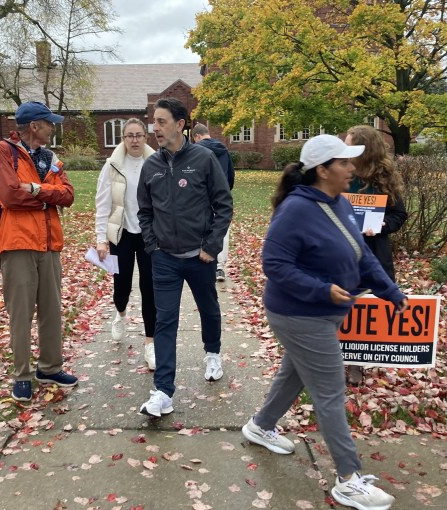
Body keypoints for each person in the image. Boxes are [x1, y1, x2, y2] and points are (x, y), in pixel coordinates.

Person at [241, 134, 407, 510]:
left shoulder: (339, 202)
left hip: (323, 312)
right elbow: (274, 265)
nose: (352, 168)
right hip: (299, 314)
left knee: (294, 374)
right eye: (345, 163)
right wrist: (321, 290)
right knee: (330, 394)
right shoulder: (296, 210)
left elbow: (362, 255)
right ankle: (348, 479)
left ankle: (260, 425)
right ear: (323, 169)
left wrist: (391, 292)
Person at [137, 98, 233, 417]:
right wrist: (152, 245)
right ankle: (163, 391)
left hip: (200, 257)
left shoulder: (204, 160)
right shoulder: (150, 165)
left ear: (181, 125)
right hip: (164, 258)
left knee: (208, 307)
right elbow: (144, 211)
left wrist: (212, 246)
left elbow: (224, 205)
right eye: (154, 121)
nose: (155, 128)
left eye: (162, 122)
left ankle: (212, 353)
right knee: (165, 320)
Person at [0, 101, 76, 402]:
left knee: (51, 309)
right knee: (21, 313)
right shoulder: (3, 151)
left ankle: (50, 367)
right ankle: (21, 374)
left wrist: (36, 190)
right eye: (49, 123)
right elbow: (10, 195)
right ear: (34, 126)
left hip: (49, 243)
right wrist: (49, 197)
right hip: (17, 243)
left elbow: (69, 195)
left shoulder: (51, 157)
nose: (53, 127)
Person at [344, 125, 408, 385]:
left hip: (374, 251)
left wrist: (382, 225)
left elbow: (399, 215)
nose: (344, 148)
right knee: (343, 302)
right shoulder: (341, 172)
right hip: (343, 251)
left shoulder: (384, 178)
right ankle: (339, 356)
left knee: (365, 307)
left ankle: (356, 362)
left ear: (364, 148)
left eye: (349, 144)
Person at [95, 118, 157, 369]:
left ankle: (150, 343)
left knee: (150, 288)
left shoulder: (156, 163)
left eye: (139, 135)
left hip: (148, 236)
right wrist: (100, 240)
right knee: (121, 286)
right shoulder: (112, 165)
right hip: (121, 234)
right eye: (129, 135)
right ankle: (120, 313)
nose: (134, 140)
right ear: (123, 138)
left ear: (146, 137)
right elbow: (102, 205)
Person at [191, 123, 234, 282]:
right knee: (222, 228)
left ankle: (201, 258)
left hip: (202, 196)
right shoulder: (223, 149)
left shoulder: (196, 150)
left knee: (202, 226)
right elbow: (230, 175)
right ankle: (220, 266)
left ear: (197, 137)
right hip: (221, 196)